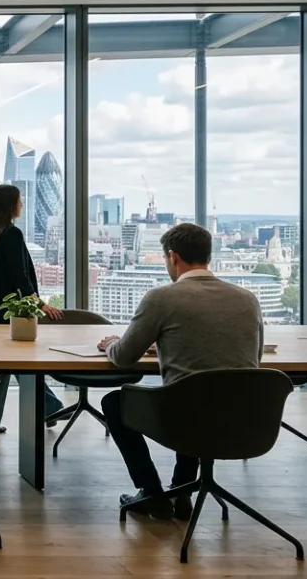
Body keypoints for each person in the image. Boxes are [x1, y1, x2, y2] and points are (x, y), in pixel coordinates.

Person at [97, 223, 263, 521]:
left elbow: (123, 357)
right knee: (196, 387)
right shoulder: (247, 299)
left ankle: (152, 492)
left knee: (116, 402)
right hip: (244, 418)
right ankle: (182, 490)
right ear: (208, 256)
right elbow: (253, 360)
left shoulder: (162, 298)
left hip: (184, 417)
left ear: (173, 257)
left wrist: (111, 343)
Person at [0, 184, 64, 433]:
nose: (22, 204)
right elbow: (19, 277)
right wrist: (39, 304)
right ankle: (49, 406)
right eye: (19, 200)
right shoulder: (11, 234)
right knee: (17, 364)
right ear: (9, 205)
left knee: (3, 366)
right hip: (11, 312)